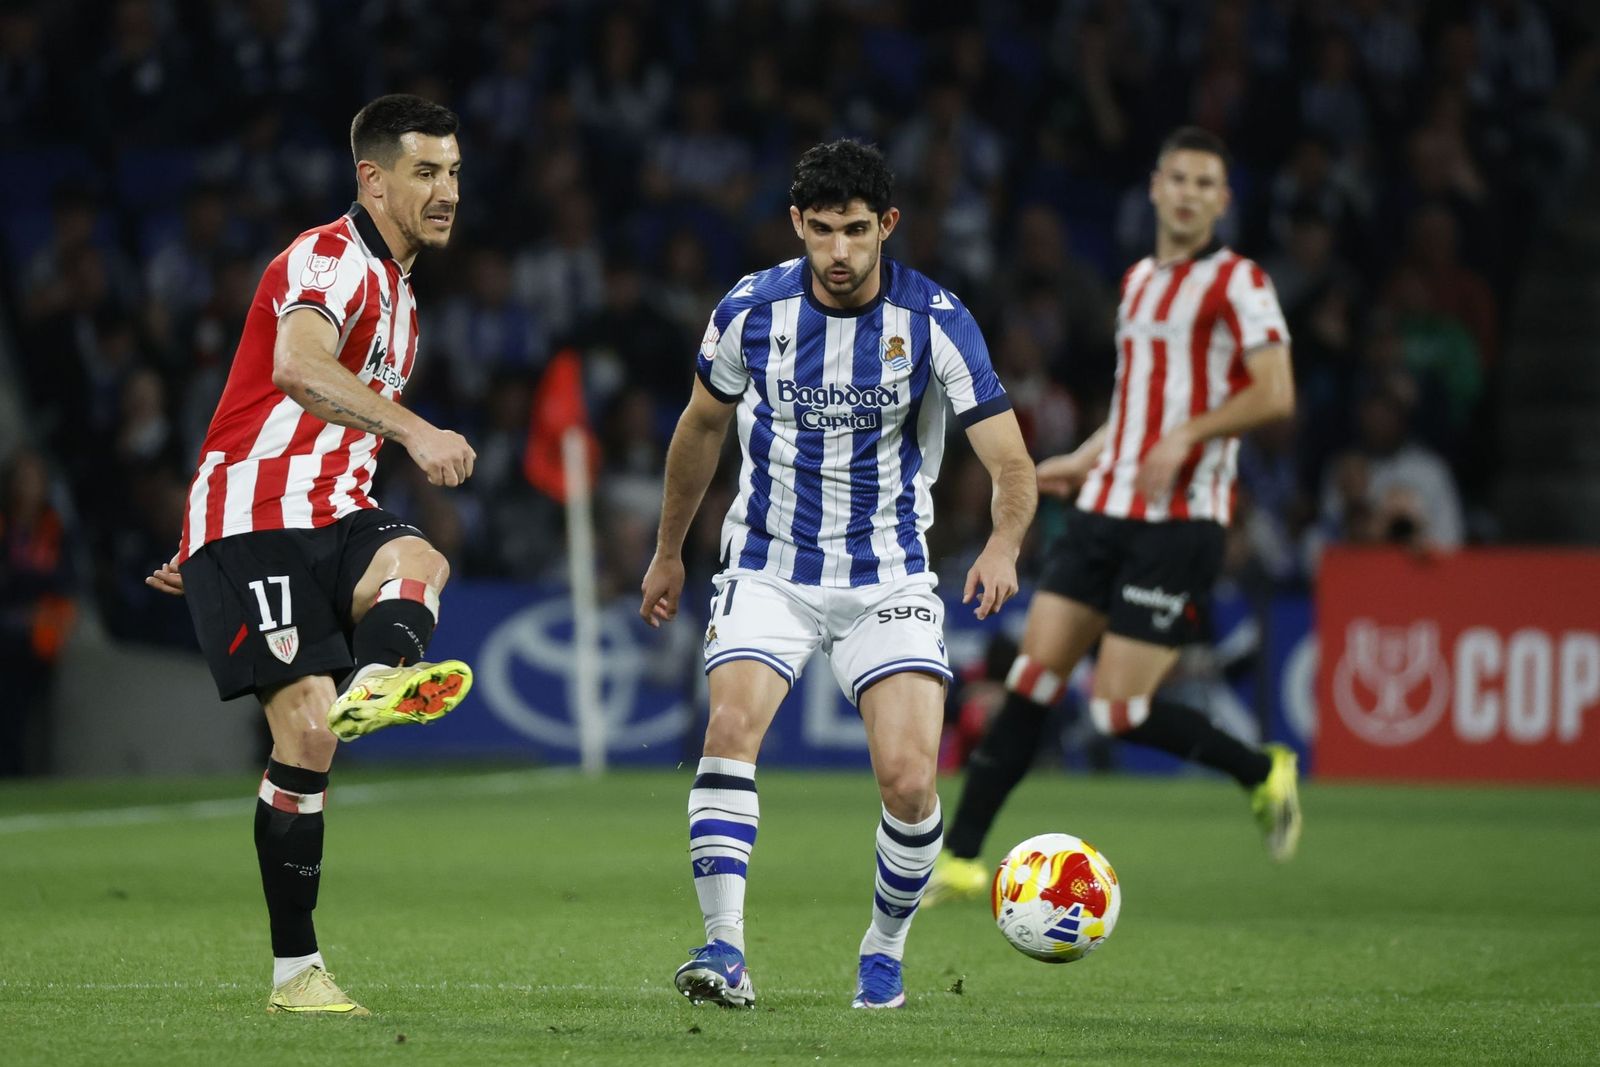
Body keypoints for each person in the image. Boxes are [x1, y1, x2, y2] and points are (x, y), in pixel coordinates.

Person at [639, 140, 1037, 1010]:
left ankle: (884, 949)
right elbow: (699, 429)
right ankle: (724, 950)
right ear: (798, 225)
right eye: (822, 231)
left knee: (909, 779)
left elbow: (1010, 459)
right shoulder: (750, 309)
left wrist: (1005, 544)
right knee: (730, 728)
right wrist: (670, 549)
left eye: (858, 230)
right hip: (768, 565)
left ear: (887, 224)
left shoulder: (934, 319)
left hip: (889, 576)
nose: (841, 252)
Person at [144, 94, 477, 1016]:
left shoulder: (405, 299)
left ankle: (378, 677)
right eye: (425, 172)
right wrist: (417, 431)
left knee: (422, 562)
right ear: (372, 179)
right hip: (252, 516)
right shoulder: (328, 255)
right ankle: (296, 974)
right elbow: (294, 365)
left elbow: (254, 397)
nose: (447, 190)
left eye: (452, 171)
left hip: (330, 510)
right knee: (306, 733)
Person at [925, 127, 1304, 906]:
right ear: (1157, 188)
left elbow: (1275, 394)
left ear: (1223, 200)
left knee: (1119, 709)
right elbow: (1134, 413)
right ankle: (960, 859)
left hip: (1181, 522)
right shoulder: (1135, 283)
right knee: (1031, 676)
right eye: (1181, 179)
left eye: (1208, 183)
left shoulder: (1240, 282)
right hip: (1104, 509)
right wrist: (1077, 459)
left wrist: (1190, 437)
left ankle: (1261, 769)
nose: (1192, 194)